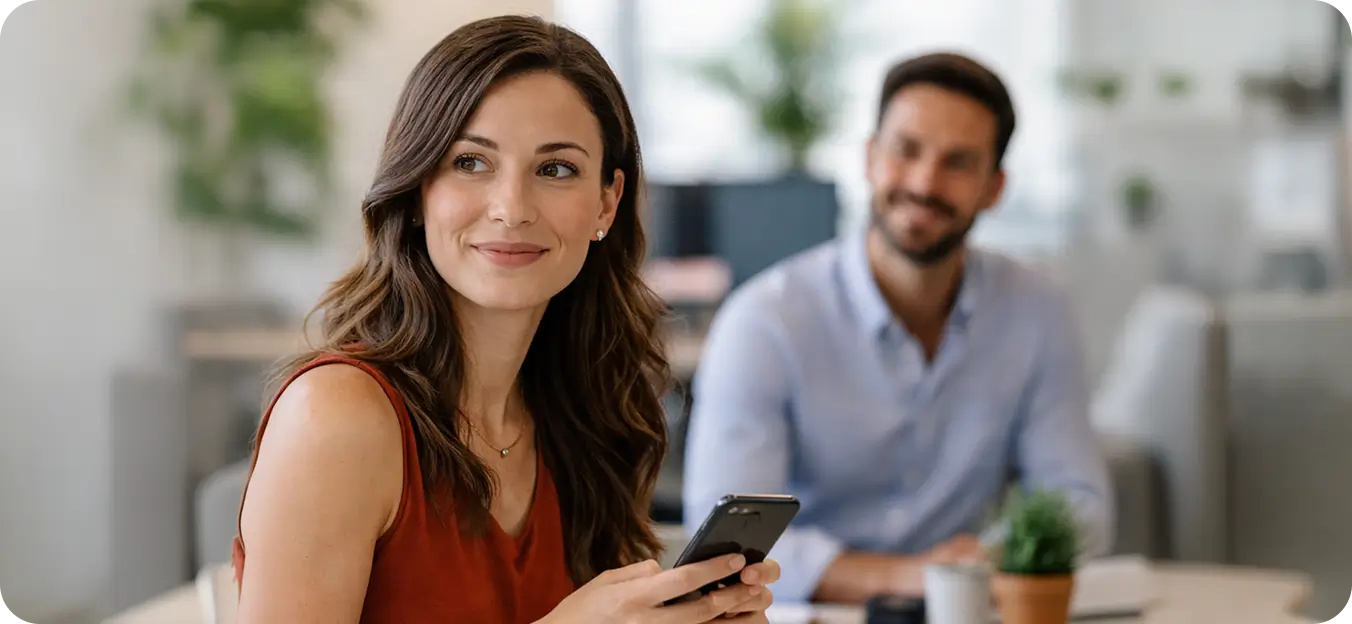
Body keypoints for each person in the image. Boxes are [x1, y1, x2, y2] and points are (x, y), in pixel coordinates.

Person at [231, 15, 780, 623]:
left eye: (556, 169)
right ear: (418, 191)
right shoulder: (336, 416)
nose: (512, 208)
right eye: (471, 162)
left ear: (606, 201)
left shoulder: (582, 414)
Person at [682, 52, 1113, 604]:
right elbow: (723, 539)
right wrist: (919, 577)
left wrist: (985, 564)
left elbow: (1079, 506)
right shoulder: (765, 321)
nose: (924, 182)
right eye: (906, 150)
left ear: (994, 187)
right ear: (868, 157)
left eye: (958, 162)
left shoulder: (1038, 312)